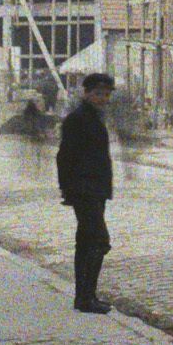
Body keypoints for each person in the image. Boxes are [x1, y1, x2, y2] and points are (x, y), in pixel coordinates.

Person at [56, 72, 115, 314]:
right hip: (84, 190)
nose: (102, 98)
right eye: (98, 93)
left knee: (86, 242)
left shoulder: (93, 118)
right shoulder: (78, 119)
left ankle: (85, 297)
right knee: (99, 241)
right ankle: (86, 297)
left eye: (106, 94)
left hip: (95, 190)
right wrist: (67, 189)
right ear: (87, 93)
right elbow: (64, 156)